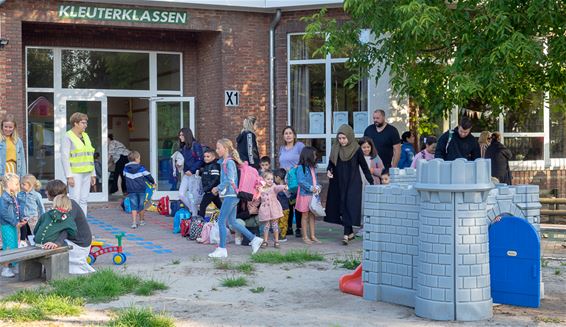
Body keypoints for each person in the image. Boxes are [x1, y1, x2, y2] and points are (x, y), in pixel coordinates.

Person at [209, 138, 263, 258]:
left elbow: (230, 179)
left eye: (219, 148)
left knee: (221, 221)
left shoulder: (229, 162)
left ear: (226, 148)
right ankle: (254, 239)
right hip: (232, 195)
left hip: (231, 195)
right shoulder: (225, 162)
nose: (217, 150)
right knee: (232, 221)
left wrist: (217, 188)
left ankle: (222, 249)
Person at [325, 125, 374, 245]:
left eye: (344, 138)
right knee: (341, 207)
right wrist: (328, 171)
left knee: (348, 205)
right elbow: (331, 164)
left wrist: (371, 182)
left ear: (350, 137)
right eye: (340, 138)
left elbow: (364, 166)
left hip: (353, 182)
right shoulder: (335, 148)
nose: (341, 141)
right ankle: (350, 232)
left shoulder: (356, 149)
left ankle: (346, 234)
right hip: (338, 182)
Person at [45, 179, 94, 274]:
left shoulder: (70, 205)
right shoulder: (63, 203)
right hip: (74, 240)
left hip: (79, 244)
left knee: (47, 244)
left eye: (47, 190)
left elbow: (67, 228)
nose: (45, 192)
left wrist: (57, 243)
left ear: (52, 193)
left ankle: (53, 269)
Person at [62, 112, 96, 216]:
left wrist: (93, 174)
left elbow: (90, 155)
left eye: (86, 123)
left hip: (87, 172)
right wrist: (69, 176)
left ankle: (83, 223)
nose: (85, 125)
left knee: (84, 200)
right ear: (75, 123)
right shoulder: (68, 136)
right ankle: (74, 224)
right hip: (75, 173)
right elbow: (65, 157)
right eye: (83, 123)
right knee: (75, 200)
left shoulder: (86, 136)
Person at [278, 126, 305, 238]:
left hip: (297, 178)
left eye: (290, 133)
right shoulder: (282, 148)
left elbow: (305, 160)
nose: (288, 135)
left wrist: (296, 167)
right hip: (285, 180)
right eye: (286, 133)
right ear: (283, 136)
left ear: (294, 135)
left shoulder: (299, 146)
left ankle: (299, 228)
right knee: (287, 203)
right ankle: (288, 227)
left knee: (298, 203)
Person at [0, 173, 26, 278]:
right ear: (8, 184)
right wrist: (15, 222)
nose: (17, 186)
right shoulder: (4, 198)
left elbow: (17, 209)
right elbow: (3, 213)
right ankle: (5, 268)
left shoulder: (13, 196)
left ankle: (12, 265)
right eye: (15, 184)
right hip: (7, 225)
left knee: (14, 244)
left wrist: (21, 218)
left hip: (13, 224)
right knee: (8, 245)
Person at [295, 146, 321, 244]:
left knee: (312, 215)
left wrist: (318, 187)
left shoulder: (313, 167)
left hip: (313, 195)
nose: (315, 157)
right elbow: (301, 181)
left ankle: (313, 235)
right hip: (305, 195)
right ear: (308, 155)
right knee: (305, 215)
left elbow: (315, 180)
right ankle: (305, 236)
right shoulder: (301, 168)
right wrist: (311, 188)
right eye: (314, 155)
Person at [123, 151, 155, 229]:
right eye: (139, 158)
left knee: (133, 206)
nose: (140, 160)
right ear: (136, 159)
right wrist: (153, 182)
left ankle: (134, 222)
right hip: (141, 189)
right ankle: (141, 220)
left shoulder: (125, 169)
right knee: (141, 205)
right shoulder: (141, 168)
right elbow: (148, 176)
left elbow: (124, 177)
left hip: (131, 190)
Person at [177, 128, 204, 215]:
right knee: (181, 194)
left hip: (194, 175)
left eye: (182, 135)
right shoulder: (183, 147)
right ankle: (194, 211)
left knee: (193, 197)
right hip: (186, 174)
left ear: (187, 135)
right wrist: (179, 165)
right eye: (180, 135)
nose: (180, 137)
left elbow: (200, 160)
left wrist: (192, 170)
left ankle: (194, 217)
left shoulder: (195, 145)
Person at [258, 171, 288, 249]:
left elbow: (278, 187)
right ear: (263, 180)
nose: (270, 181)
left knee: (275, 225)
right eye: (268, 179)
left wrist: (284, 186)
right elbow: (257, 197)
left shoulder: (274, 187)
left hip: (274, 209)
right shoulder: (261, 189)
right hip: (265, 209)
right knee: (266, 226)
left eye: (271, 179)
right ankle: (265, 241)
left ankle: (276, 241)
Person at [17, 174, 45, 247]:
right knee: (23, 233)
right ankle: (24, 244)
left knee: (33, 233)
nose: (21, 186)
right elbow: (17, 206)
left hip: (32, 218)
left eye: (24, 184)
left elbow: (41, 208)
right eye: (21, 184)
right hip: (23, 218)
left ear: (31, 185)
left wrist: (43, 219)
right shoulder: (20, 194)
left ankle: (34, 245)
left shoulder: (36, 195)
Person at [198, 148, 222, 217]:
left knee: (202, 206)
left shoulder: (214, 166)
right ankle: (228, 217)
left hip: (211, 191)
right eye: (204, 156)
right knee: (220, 206)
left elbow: (216, 179)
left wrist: (208, 188)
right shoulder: (206, 166)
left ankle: (200, 222)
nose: (206, 158)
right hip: (209, 191)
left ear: (213, 157)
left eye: (208, 156)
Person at [273, 169, 290, 242]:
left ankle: (283, 236)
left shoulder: (284, 187)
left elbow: (288, 196)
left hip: (283, 208)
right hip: (281, 208)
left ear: (278, 178)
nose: (274, 179)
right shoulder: (284, 186)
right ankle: (279, 234)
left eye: (274, 177)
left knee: (283, 222)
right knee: (281, 222)